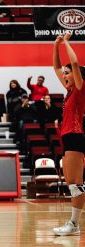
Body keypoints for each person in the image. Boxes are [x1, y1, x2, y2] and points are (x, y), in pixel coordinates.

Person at [52, 33, 85, 236]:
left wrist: (65, 42)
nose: (64, 75)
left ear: (77, 74)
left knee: (75, 184)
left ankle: (74, 224)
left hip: (75, 134)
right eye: (65, 73)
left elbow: (74, 61)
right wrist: (55, 45)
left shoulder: (81, 88)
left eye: (68, 73)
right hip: (67, 136)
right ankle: (74, 224)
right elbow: (56, 67)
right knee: (71, 183)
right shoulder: (69, 90)